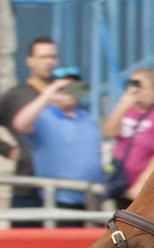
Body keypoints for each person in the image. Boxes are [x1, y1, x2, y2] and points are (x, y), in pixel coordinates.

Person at [10, 66, 104, 224]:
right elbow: (20, 123)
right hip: (60, 201)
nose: (68, 92)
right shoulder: (44, 117)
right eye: (63, 88)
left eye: (73, 87)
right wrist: (48, 94)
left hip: (90, 201)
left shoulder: (87, 118)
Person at [0, 37, 59, 220]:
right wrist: (8, 150)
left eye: (52, 57)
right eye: (43, 57)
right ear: (30, 60)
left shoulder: (65, 93)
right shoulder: (16, 95)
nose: (48, 61)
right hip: (28, 186)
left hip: (62, 188)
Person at [101, 68, 154, 208]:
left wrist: (142, 184)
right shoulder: (127, 111)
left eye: (141, 87)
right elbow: (109, 132)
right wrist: (123, 104)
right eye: (134, 86)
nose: (137, 91)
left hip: (145, 189)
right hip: (122, 185)